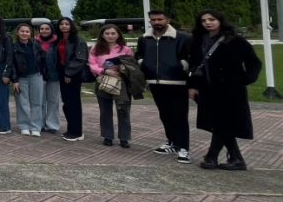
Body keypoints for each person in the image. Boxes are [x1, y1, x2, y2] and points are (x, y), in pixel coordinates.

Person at [188, 10, 261, 170]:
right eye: (204, 20)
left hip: (231, 90)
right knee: (219, 122)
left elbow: (254, 63)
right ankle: (236, 158)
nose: (208, 23)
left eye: (212, 19)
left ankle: (211, 156)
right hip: (208, 88)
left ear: (220, 21)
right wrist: (193, 86)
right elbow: (195, 65)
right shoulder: (198, 41)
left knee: (223, 122)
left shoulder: (236, 40)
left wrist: (245, 79)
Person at [136, 10, 193, 163]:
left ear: (168, 19)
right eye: (153, 20)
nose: (156, 22)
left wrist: (182, 66)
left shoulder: (183, 38)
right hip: (155, 82)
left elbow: (192, 57)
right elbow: (139, 55)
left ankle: (184, 148)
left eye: (160, 19)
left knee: (180, 116)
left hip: (177, 83)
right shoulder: (144, 39)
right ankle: (172, 142)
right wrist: (143, 64)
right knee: (165, 115)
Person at [89, 24, 135, 148]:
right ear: (102, 35)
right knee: (105, 110)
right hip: (103, 81)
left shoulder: (125, 49)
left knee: (123, 110)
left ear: (118, 35)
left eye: (113, 33)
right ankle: (107, 136)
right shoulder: (96, 49)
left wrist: (120, 69)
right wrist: (104, 71)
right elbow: (92, 64)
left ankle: (124, 138)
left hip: (121, 82)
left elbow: (132, 65)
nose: (110, 36)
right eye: (107, 33)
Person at [5, 23, 44, 137]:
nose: (24, 33)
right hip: (21, 78)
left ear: (30, 33)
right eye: (22, 31)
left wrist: (43, 75)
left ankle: (36, 127)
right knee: (22, 103)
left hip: (36, 76)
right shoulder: (14, 46)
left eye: (27, 31)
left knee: (37, 102)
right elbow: (11, 64)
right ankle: (24, 126)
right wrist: (15, 80)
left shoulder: (36, 44)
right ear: (17, 32)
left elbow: (42, 59)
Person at [56, 17, 90, 142]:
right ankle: (71, 129)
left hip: (72, 74)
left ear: (71, 26)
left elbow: (80, 59)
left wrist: (69, 73)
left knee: (73, 103)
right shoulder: (60, 40)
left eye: (66, 24)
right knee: (67, 103)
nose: (64, 26)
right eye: (61, 24)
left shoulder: (78, 40)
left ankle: (77, 132)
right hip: (62, 72)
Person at [35, 23, 60, 134]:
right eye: (42, 28)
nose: (44, 31)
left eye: (47, 29)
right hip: (38, 75)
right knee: (40, 100)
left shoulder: (57, 42)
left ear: (52, 30)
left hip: (54, 75)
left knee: (53, 100)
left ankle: (52, 124)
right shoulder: (34, 42)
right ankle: (39, 123)